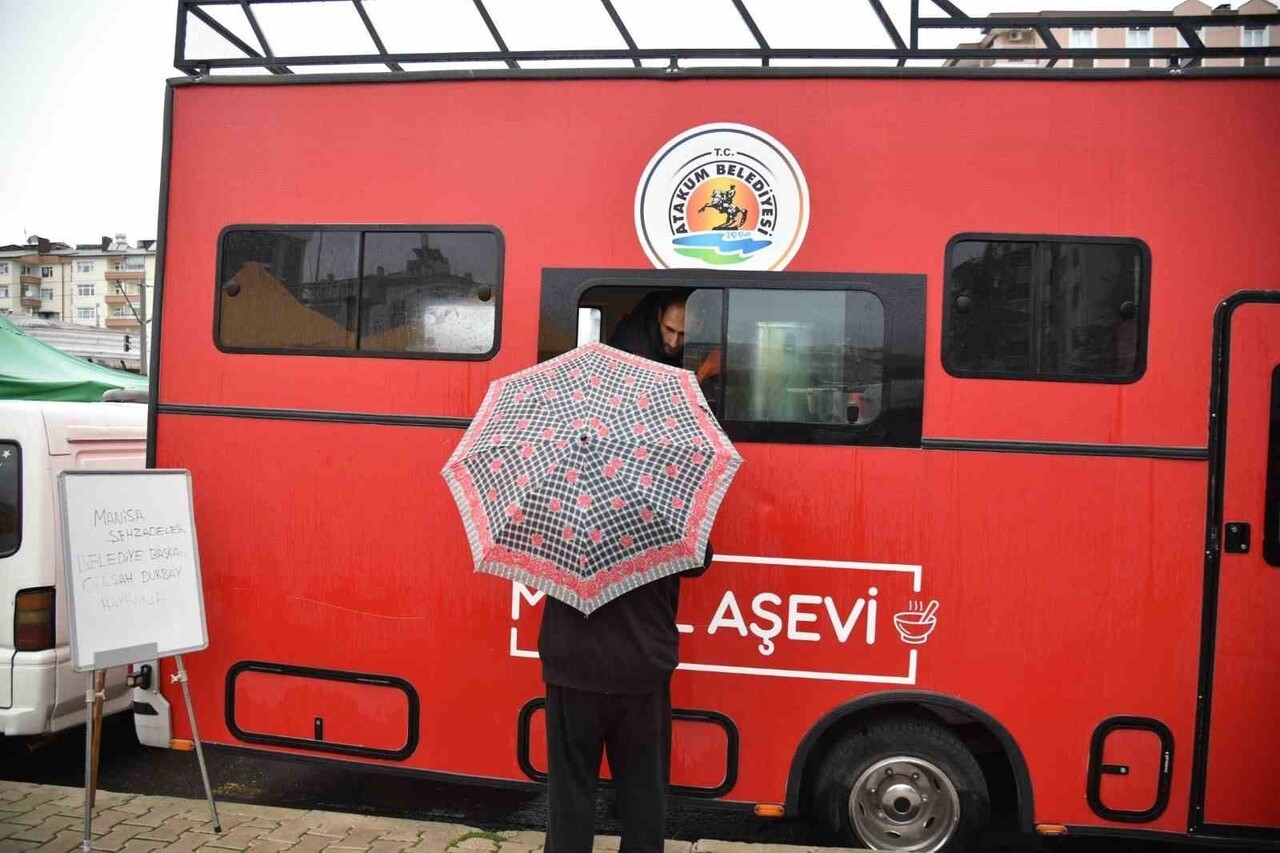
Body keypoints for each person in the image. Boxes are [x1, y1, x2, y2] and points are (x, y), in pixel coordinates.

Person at [538, 289, 714, 853]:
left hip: (572, 666)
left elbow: (533, 556)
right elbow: (699, 559)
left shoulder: (553, 482)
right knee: (643, 801)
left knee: (571, 799)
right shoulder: (665, 483)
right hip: (642, 667)